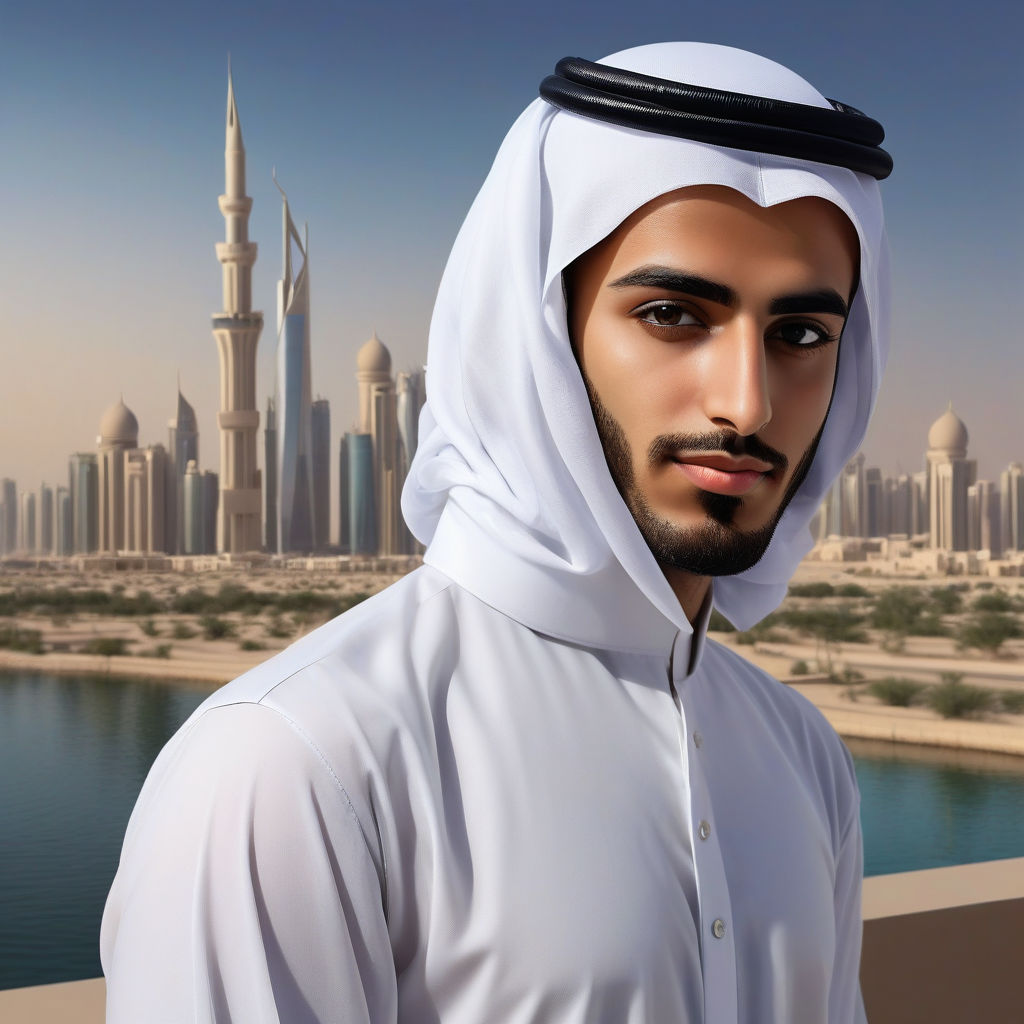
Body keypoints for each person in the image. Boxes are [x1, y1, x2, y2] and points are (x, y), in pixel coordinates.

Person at [101, 41, 890, 1023]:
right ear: (538, 335)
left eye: (802, 334)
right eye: (672, 314)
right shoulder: (295, 765)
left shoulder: (801, 756)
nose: (746, 400)